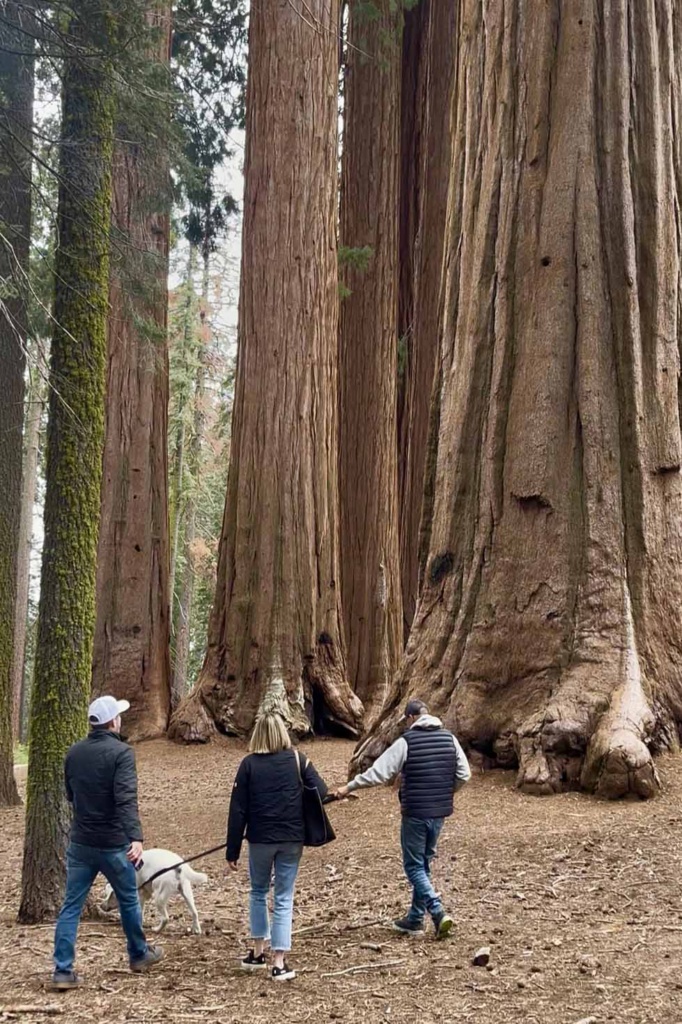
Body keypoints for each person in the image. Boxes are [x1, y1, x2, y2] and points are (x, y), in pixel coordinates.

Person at [334, 698, 470, 939]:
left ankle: (437, 912)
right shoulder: (450, 739)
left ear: (410, 718)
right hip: (439, 813)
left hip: (415, 813)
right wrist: (446, 793)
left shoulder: (406, 741)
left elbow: (379, 772)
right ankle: (416, 919)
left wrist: (349, 787)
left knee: (413, 865)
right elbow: (464, 774)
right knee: (424, 863)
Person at [51, 696, 163, 990]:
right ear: (113, 722)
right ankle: (138, 954)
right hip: (114, 844)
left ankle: (62, 970)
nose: (121, 719)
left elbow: (70, 796)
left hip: (81, 843)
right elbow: (126, 798)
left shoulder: (73, 753)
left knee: (71, 906)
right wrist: (135, 837)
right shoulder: (122, 753)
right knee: (128, 899)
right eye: (119, 716)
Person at [226, 713, 329, 982]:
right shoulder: (299, 760)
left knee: (258, 892)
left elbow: (238, 809)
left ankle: (258, 952)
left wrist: (232, 850)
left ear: (257, 735)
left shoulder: (248, 765)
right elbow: (322, 790)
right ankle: (279, 962)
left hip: (260, 839)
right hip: (292, 839)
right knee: (283, 897)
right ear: (283, 733)